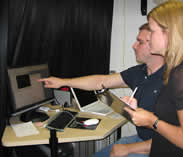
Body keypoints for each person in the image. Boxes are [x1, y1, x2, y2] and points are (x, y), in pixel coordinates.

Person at [38, 23, 165, 157]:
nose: (134, 46)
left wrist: (129, 149)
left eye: (140, 42)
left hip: (157, 148)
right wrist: (62, 82)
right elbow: (101, 81)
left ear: (157, 43)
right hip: (142, 140)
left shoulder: (171, 80)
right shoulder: (139, 72)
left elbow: (174, 140)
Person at [118, 1, 183, 157]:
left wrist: (152, 121)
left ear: (170, 33)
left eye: (152, 31)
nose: (149, 38)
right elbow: (174, 121)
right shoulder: (177, 69)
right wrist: (141, 113)